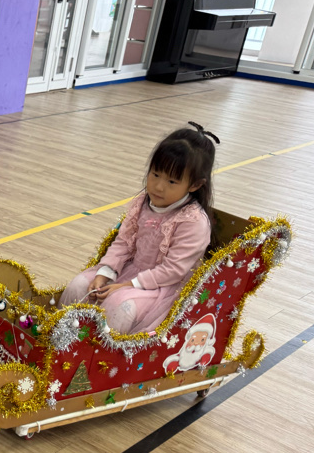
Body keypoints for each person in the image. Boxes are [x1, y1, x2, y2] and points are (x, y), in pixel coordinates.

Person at [58, 122, 218, 334]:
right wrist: (105, 273)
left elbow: (172, 271)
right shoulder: (142, 203)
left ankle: (100, 353)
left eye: (172, 181)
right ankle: (61, 340)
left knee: (119, 305)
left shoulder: (193, 221)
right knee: (79, 285)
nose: (158, 186)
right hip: (129, 272)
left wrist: (126, 286)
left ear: (195, 185)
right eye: (155, 174)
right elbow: (123, 243)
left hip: (160, 287)